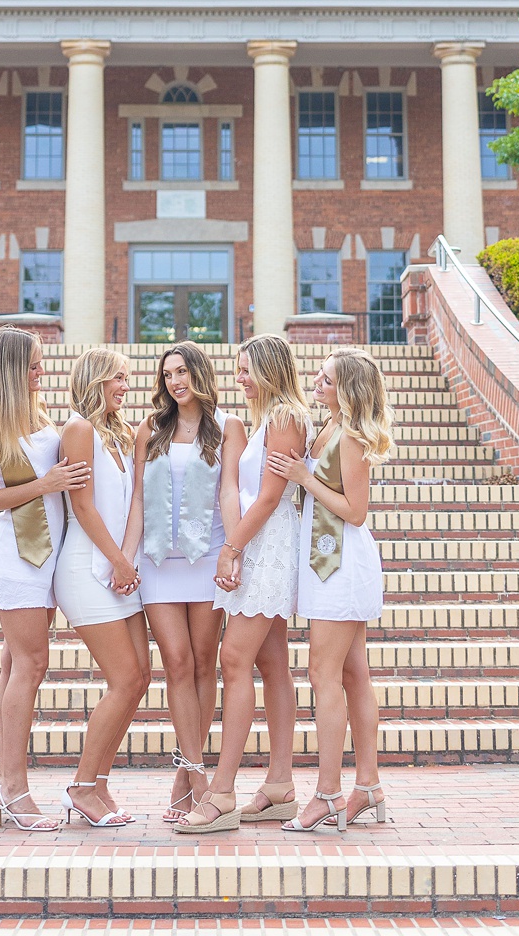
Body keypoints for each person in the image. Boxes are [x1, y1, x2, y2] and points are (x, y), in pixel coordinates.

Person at [176, 333, 312, 834]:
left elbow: (272, 497)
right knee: (272, 662)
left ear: (271, 369)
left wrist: (232, 547)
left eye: (246, 368)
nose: (239, 378)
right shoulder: (268, 420)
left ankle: (223, 792)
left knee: (233, 660)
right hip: (256, 543)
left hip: (266, 548)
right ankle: (279, 784)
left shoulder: (285, 418)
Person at [0, 326, 91, 831]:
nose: (43, 372)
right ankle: (13, 787)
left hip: (49, 555)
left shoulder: (39, 416)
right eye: (34, 365)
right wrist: (46, 483)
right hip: (16, 556)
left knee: (16, 665)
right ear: (13, 368)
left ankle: (3, 785)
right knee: (31, 665)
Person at [268, 346, 393, 833]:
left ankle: (327, 793)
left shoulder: (353, 438)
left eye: (325, 380)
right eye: (317, 377)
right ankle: (367, 786)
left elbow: (356, 511)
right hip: (325, 560)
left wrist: (302, 477)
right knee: (355, 673)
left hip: (340, 564)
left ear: (348, 390)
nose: (316, 384)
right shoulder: (327, 429)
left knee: (324, 675)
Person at [124, 341, 247, 820]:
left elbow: (231, 490)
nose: (176, 381)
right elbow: (137, 500)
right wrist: (125, 557)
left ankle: (185, 770)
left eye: (183, 371)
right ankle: (197, 772)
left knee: (202, 664)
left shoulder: (227, 427)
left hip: (207, 558)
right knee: (175, 662)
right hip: (158, 562)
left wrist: (234, 551)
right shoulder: (150, 430)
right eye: (168, 374)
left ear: (200, 373)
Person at [53, 347, 151, 828]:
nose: (125, 386)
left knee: (141, 679)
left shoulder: (122, 433)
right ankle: (81, 785)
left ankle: (99, 783)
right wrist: (116, 560)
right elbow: (83, 507)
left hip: (121, 568)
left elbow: (136, 500)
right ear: (95, 380)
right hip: (86, 568)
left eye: (127, 378)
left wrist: (128, 561)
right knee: (125, 678)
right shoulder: (78, 429)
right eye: (118, 378)